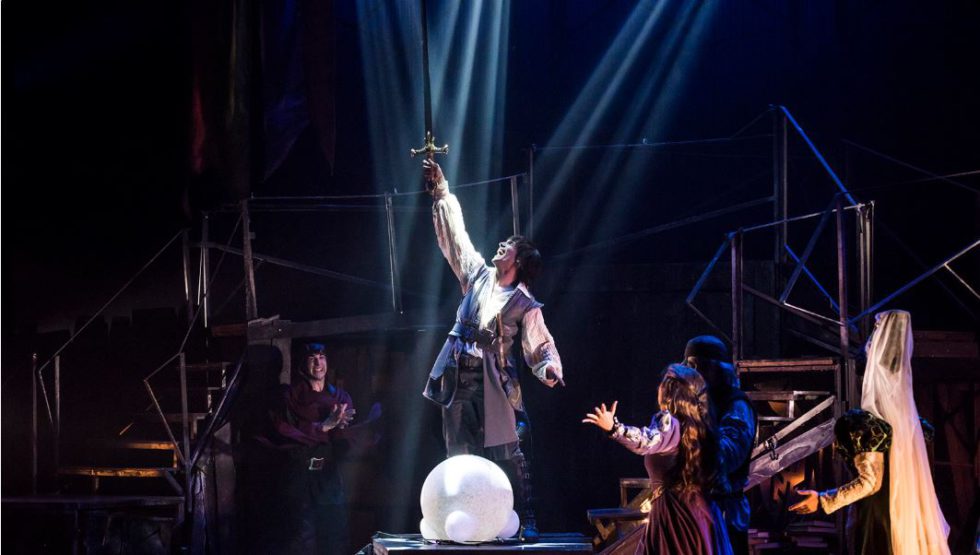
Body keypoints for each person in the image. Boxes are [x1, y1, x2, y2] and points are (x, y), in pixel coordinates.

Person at [422, 159, 563, 542]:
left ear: (518, 263)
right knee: (458, 451)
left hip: (495, 383)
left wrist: (548, 366)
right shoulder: (477, 275)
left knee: (509, 452)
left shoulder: (524, 303)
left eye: (507, 248)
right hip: (458, 374)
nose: (500, 247)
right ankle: (458, 518)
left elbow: (538, 342)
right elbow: (457, 239)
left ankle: (524, 515)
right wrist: (441, 191)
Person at [790, 310, 951, 555]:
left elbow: (870, 482)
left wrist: (823, 499)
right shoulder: (909, 422)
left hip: (879, 518)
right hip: (907, 514)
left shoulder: (866, 424)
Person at [583, 364, 731, 554]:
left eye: (662, 383)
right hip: (701, 516)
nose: (658, 388)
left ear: (671, 391)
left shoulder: (671, 424)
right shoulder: (700, 427)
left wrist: (615, 428)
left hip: (676, 517)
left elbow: (648, 440)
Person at [264, 342, 356, 554]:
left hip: (328, 476)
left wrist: (342, 429)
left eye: (322, 357)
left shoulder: (340, 397)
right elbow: (284, 430)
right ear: (302, 364)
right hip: (299, 475)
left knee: (334, 534)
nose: (318, 363)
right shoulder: (289, 397)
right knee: (299, 537)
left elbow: (346, 439)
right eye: (312, 358)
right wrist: (323, 427)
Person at [682, 336, 755, 555]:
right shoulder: (693, 403)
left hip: (723, 513)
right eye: (690, 366)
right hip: (693, 512)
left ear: (718, 369)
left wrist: (690, 437)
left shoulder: (736, 404)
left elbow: (729, 454)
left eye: (700, 366)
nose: (694, 373)